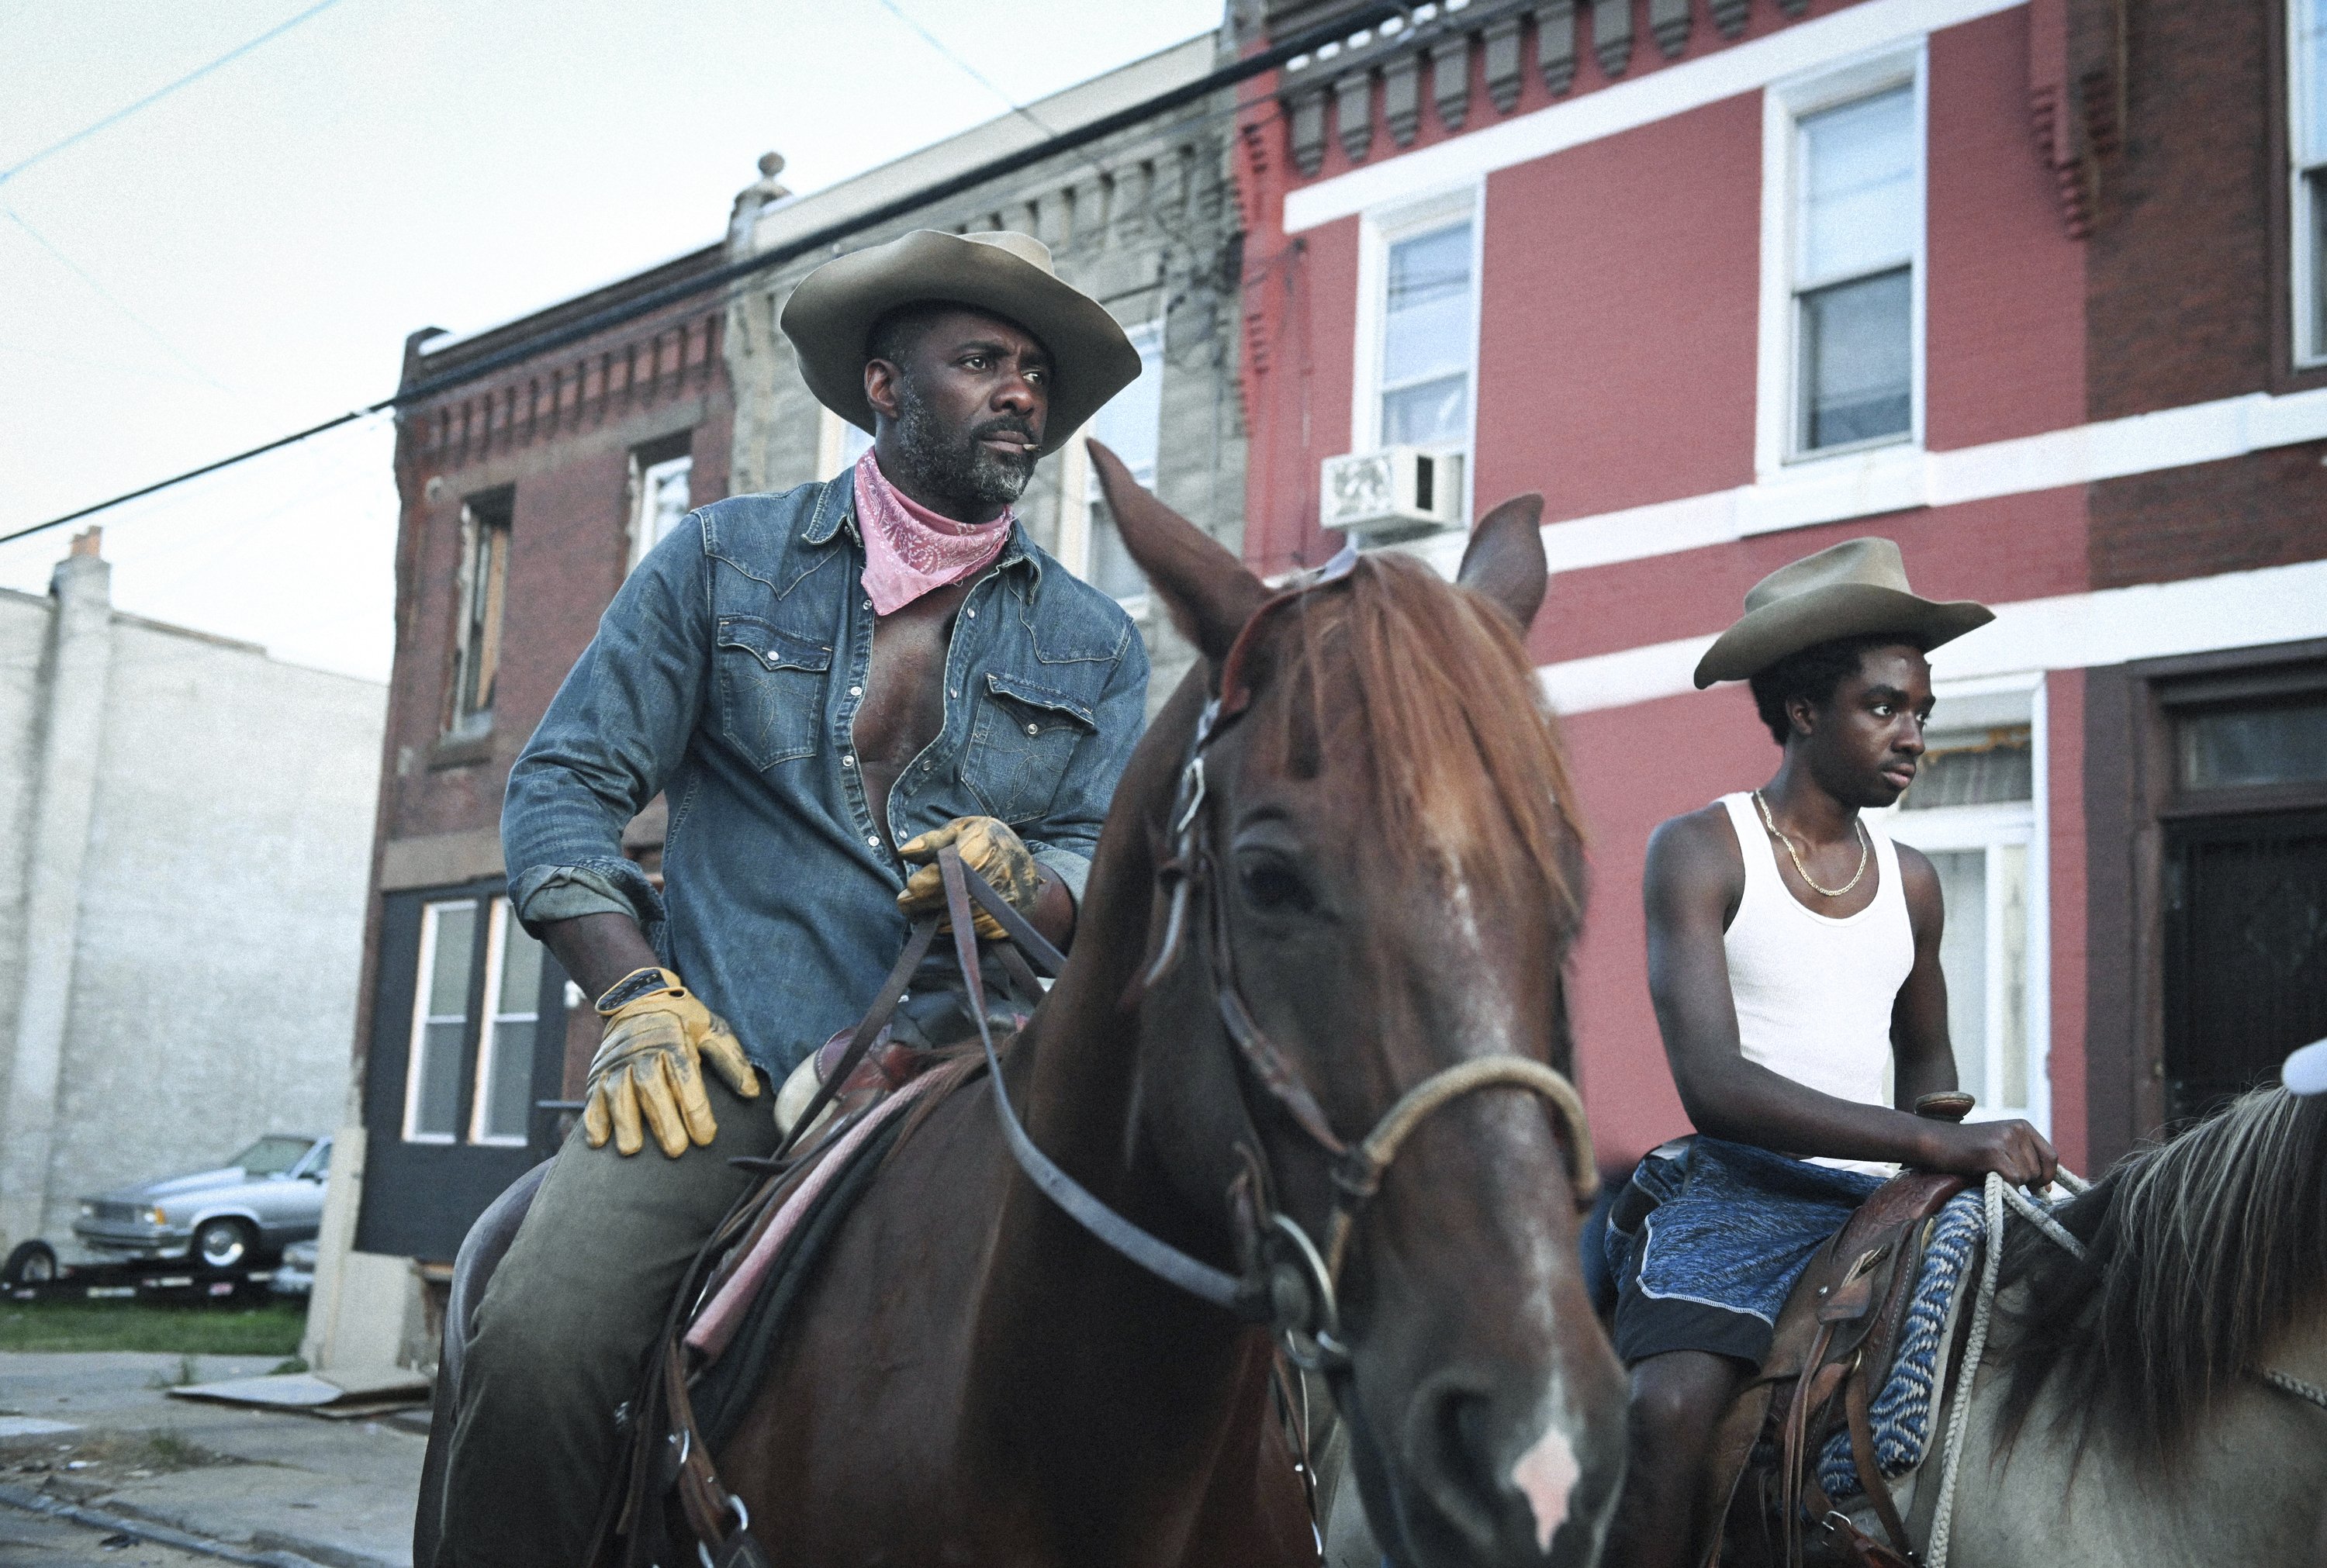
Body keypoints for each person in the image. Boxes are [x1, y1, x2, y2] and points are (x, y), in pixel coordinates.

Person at [431, 229, 1150, 1566]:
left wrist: (1032, 878)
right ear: (883, 384)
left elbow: (1112, 862)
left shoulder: (1099, 643)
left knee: (1252, 1341)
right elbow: (562, 787)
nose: (1021, 393)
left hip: (973, 1080)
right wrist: (632, 994)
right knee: (534, 1338)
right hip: (721, 1067)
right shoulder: (719, 562)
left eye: (1037, 373)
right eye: (982, 360)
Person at [1601, 539, 2059, 1568]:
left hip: (1884, 1209)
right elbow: (1714, 1087)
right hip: (1736, 1195)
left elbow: (1930, 1081)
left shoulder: (1916, 881)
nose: (1914, 735)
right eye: (1885, 706)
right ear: (1806, 708)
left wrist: (1953, 1157)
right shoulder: (1702, 848)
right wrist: (1946, 1144)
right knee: (1672, 1408)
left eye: (1922, 712)